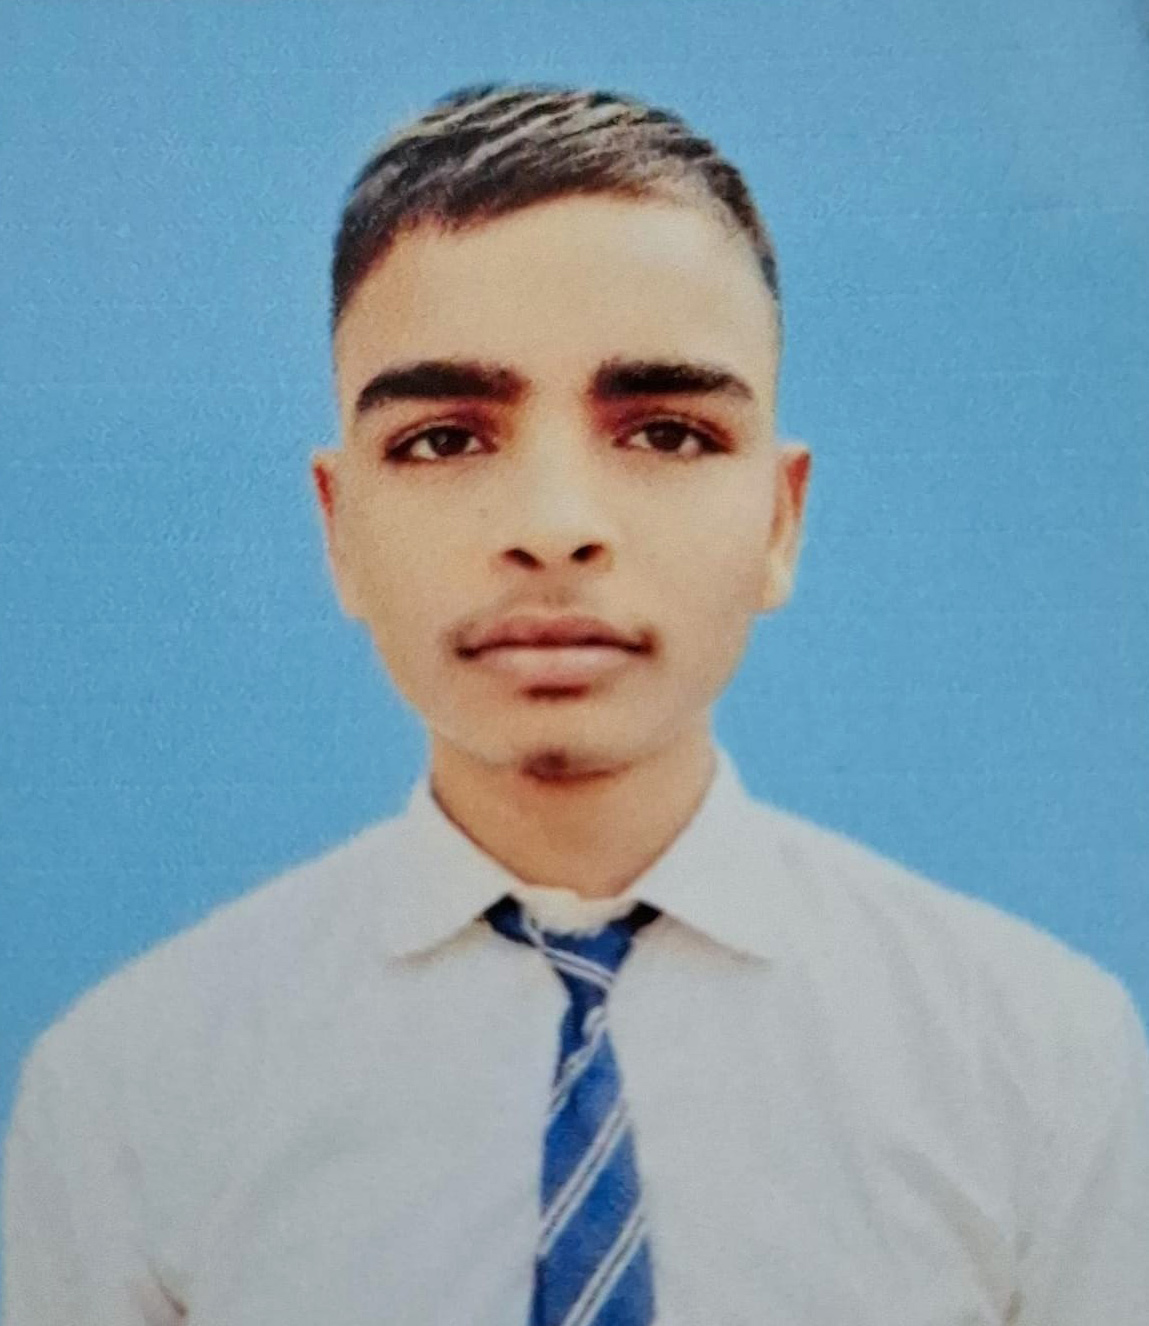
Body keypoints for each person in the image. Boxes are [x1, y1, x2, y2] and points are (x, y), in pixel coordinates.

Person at [3, 82, 1147, 1326]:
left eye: (666, 433)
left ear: (780, 519)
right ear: (339, 529)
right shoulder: (130, 1097)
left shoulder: (1038, 1067)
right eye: (445, 440)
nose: (554, 527)